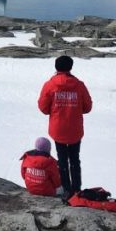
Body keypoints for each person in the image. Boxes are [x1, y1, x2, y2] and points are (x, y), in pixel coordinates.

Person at [37, 55, 92, 196]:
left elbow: (43, 108)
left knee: (62, 160)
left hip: (58, 129)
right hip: (75, 129)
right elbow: (87, 107)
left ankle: (66, 189)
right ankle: (77, 188)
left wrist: (55, 109)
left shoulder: (50, 85)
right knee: (74, 159)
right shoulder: (79, 85)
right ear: (70, 67)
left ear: (56, 67)